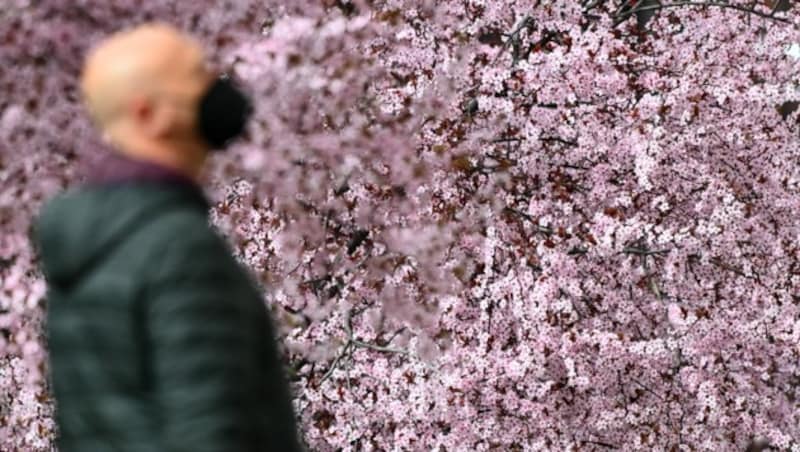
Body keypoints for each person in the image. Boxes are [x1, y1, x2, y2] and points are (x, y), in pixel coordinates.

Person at [31, 23, 304, 452]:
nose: (215, 88)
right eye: (196, 76)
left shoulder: (86, 245)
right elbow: (210, 428)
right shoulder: (178, 249)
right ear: (147, 114)